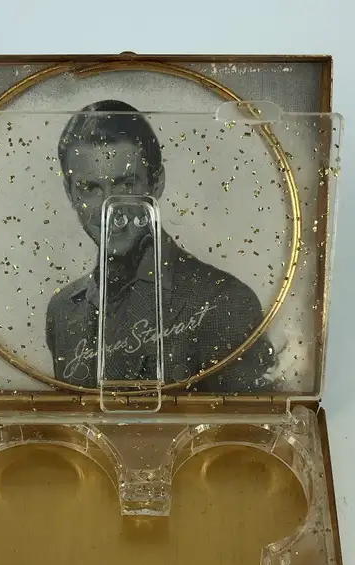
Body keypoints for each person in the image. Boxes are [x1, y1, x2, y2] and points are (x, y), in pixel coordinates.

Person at [45, 100, 278, 393]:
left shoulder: (225, 303)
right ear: (70, 193)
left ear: (156, 184)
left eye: (125, 184)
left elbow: (250, 420)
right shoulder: (62, 310)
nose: (109, 208)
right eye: (90, 188)